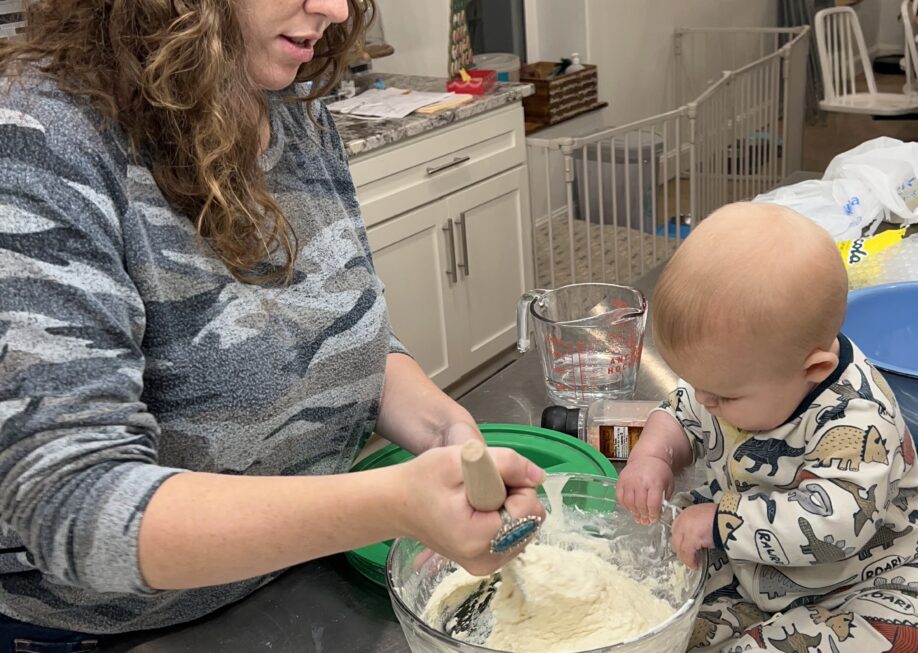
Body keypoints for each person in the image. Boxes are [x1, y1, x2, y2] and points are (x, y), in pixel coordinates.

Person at [0, 0, 545, 649]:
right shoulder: (41, 142)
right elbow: (77, 505)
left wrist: (450, 436)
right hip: (126, 634)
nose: (336, 8)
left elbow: (344, 330)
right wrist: (394, 502)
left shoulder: (292, 103)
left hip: (296, 585)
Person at [616, 203, 918, 652]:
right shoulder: (743, 373)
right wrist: (653, 454)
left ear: (814, 369)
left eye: (724, 396)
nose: (704, 401)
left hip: (866, 582)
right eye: (698, 384)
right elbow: (681, 411)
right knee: (662, 619)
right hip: (754, 563)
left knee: (905, 631)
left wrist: (721, 522)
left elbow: (834, 526)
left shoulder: (860, 419)